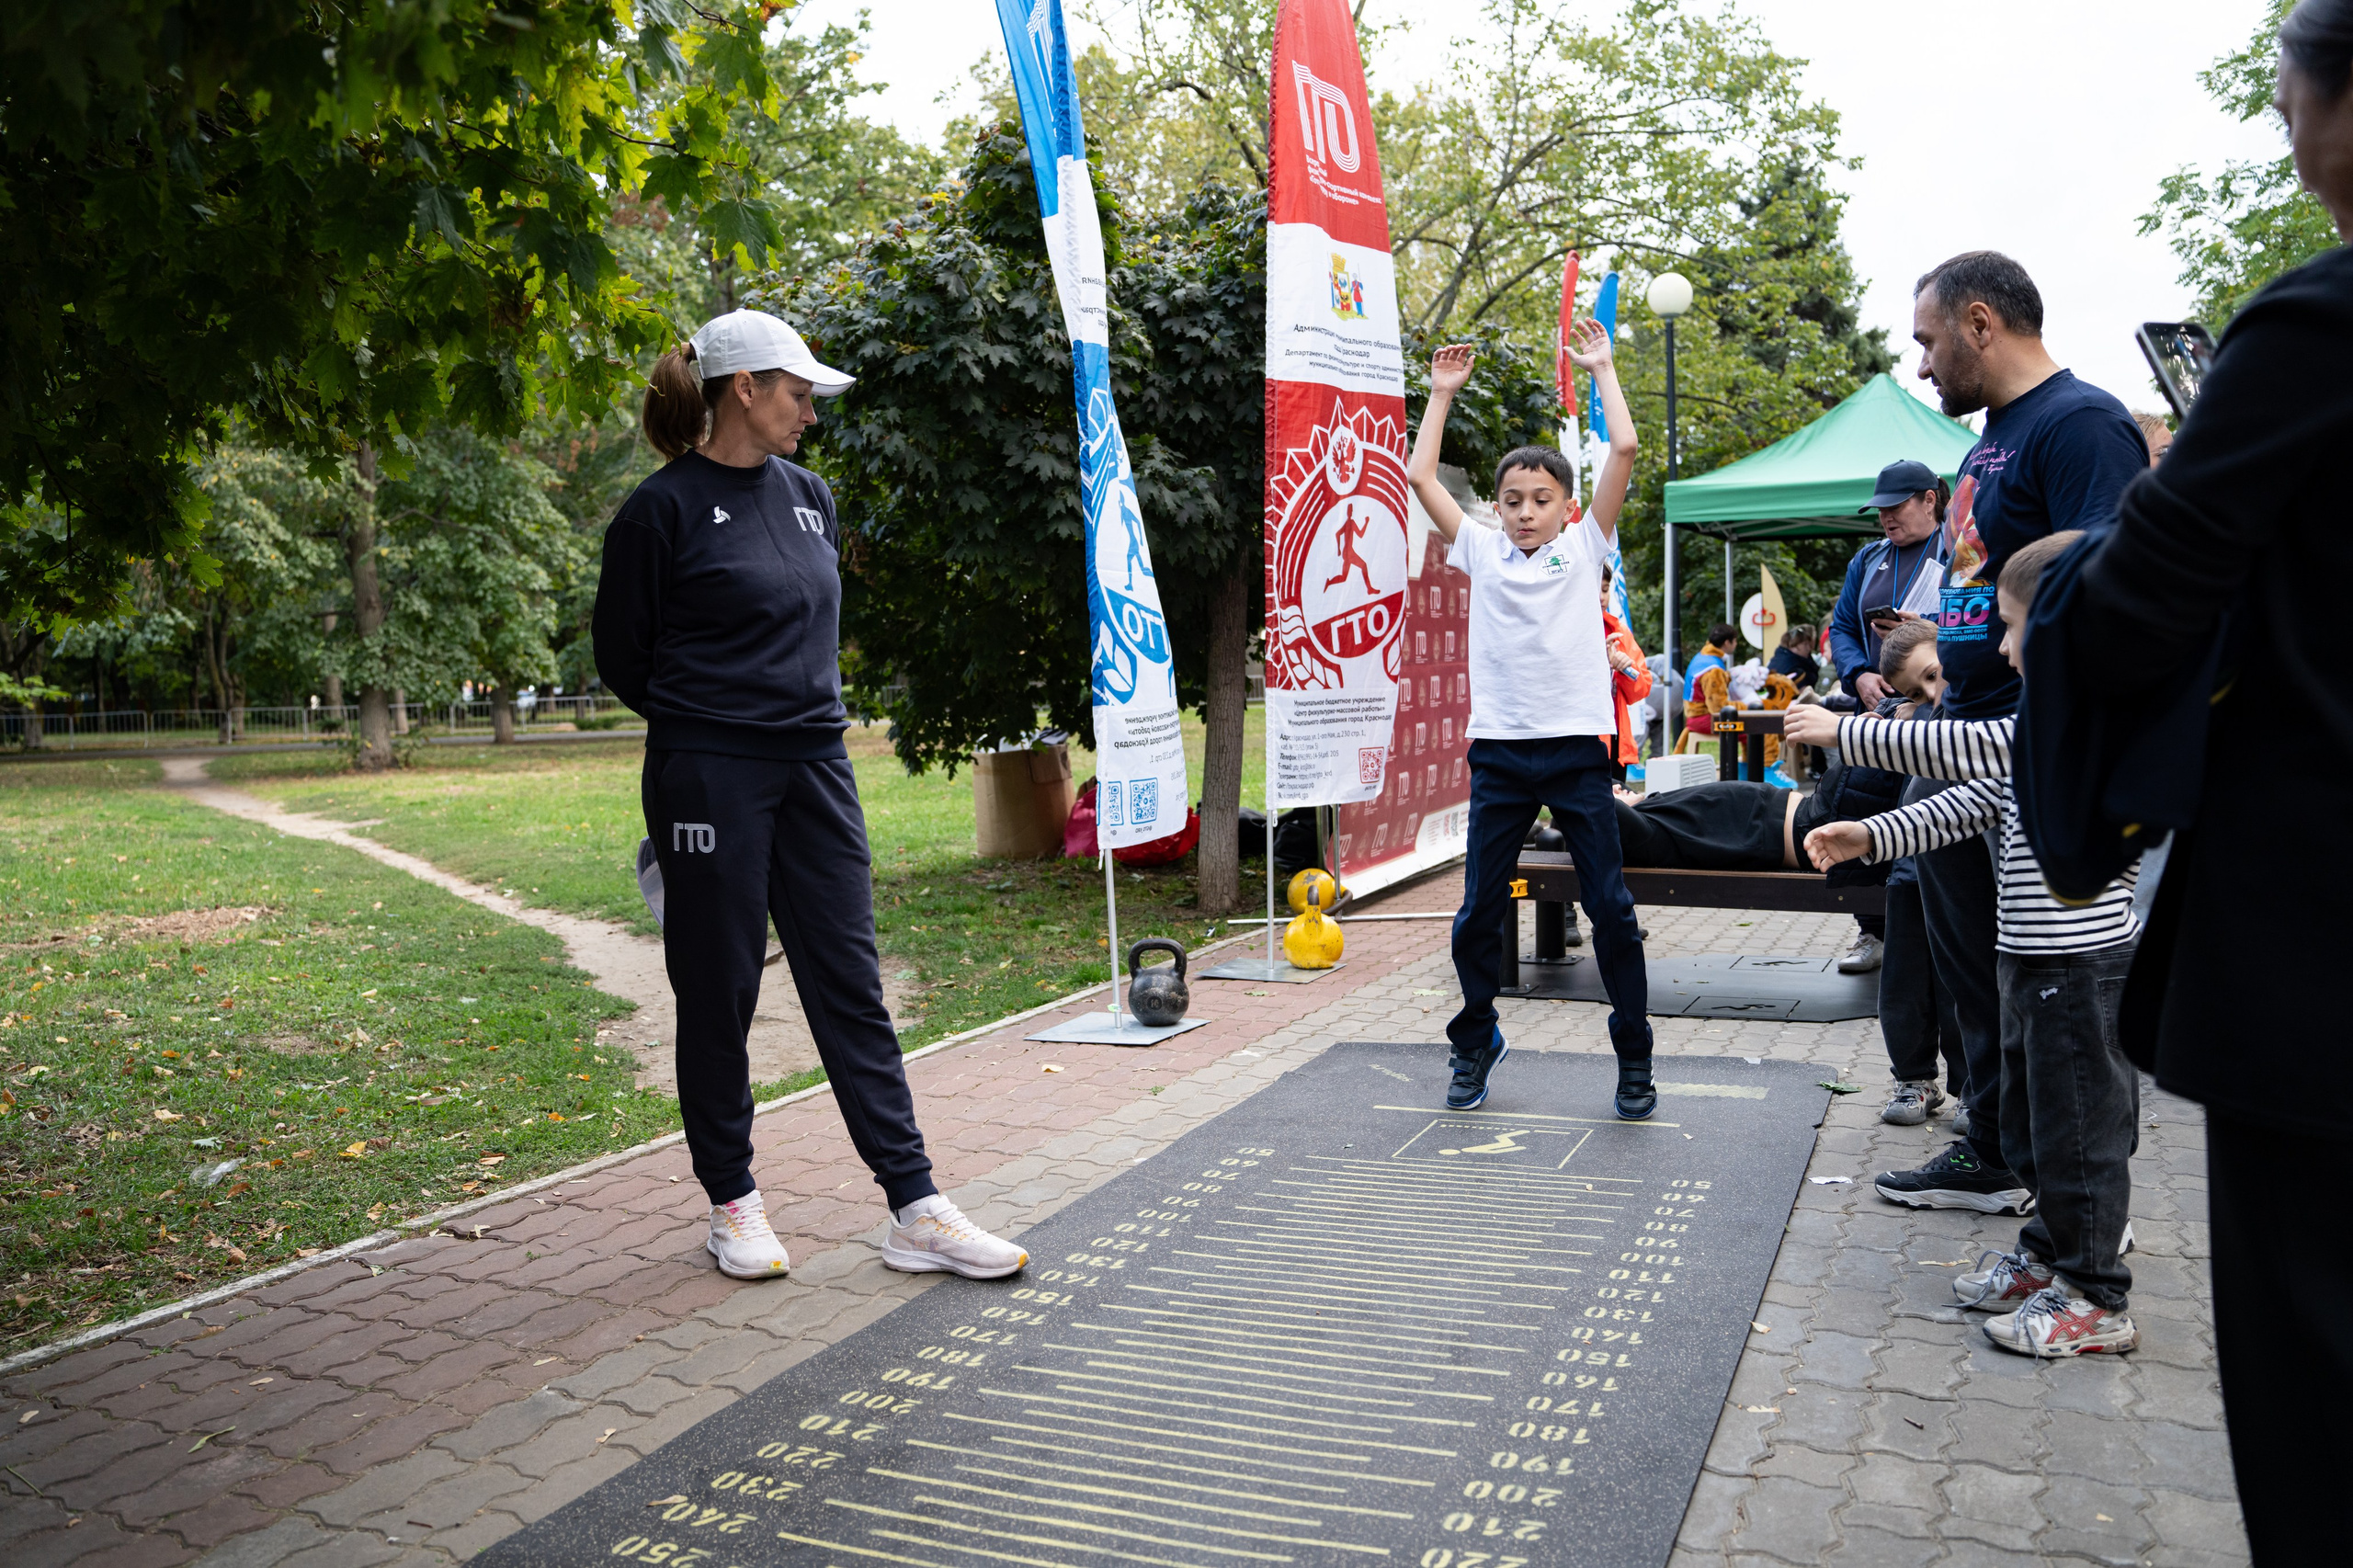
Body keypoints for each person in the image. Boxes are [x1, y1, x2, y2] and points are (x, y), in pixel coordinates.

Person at [2028, 0, 2353, 1544]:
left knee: (2319, 1385)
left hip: (2321, 948)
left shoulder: (2320, 329)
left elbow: (2140, 599)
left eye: (2291, 108)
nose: (2291, 147)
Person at [592, 309, 1027, 1283]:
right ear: (743, 389)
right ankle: (732, 1200)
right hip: (710, 776)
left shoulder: (808, 496)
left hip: (817, 767)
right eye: (798, 395)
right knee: (721, 988)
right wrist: (713, 725)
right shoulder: (659, 511)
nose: (811, 414)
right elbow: (624, 656)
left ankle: (915, 1206)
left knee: (851, 983)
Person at [1797, 530, 2143, 1360]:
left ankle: (2095, 1295)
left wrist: (1846, 731)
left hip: (2078, 966)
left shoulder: (2084, 722)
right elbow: (1973, 799)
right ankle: (2048, 1255)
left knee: (2078, 1134)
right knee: (2033, 1123)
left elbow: (1965, 747)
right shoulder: (2042, 725)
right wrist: (1873, 834)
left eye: (2015, 627)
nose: (2003, 648)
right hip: (2029, 960)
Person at [1870, 251, 2149, 1214]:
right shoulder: (1993, 437)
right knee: (1973, 971)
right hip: (1961, 732)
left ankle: (2074, 1197)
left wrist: (2046, 736)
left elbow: (2100, 586)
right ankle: (1993, 1146)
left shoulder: (2082, 425)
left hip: (2022, 748)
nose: (1921, 364)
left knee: (2050, 984)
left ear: (1980, 323)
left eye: (1927, 341)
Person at [1410, 323, 1654, 1120]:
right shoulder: (1480, 550)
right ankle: (1476, 1036)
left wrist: (1603, 367)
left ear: (1565, 507)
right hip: (1500, 756)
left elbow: (1624, 448)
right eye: (1512, 501)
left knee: (1610, 909)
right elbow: (1420, 476)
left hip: (1576, 753)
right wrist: (1440, 396)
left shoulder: (1585, 547)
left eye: (1540, 500)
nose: (1524, 513)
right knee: (1479, 908)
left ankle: (1634, 1055)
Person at [1861, 620, 1966, 1128]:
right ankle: (1913, 1077)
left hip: (1963, 865)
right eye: (1915, 692)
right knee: (1903, 978)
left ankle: (1975, 1088)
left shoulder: (1978, 705)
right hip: (1909, 862)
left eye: (1932, 675)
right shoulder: (1903, 716)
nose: (1930, 693)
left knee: (1962, 981)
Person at [1826, 459, 1949, 710]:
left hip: (1936, 707)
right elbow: (1841, 629)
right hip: (1877, 708)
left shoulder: (1959, 551)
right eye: (1881, 510)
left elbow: (1977, 620)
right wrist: (1858, 674)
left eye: (1895, 507)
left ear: (1929, 500)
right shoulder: (1866, 559)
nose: (1886, 517)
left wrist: (1921, 629)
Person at [1676, 623, 1739, 749]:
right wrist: (1745, 706)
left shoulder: (1703, 656)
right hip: (1705, 719)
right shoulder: (1714, 669)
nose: (1736, 644)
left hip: (1693, 717)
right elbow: (1718, 708)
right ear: (1727, 642)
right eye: (1735, 641)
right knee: (1751, 728)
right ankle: (1758, 762)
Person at [1768, 624, 1819, 692]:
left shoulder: (1782, 655)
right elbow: (1804, 693)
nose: (1809, 649)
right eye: (1807, 644)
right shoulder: (1793, 666)